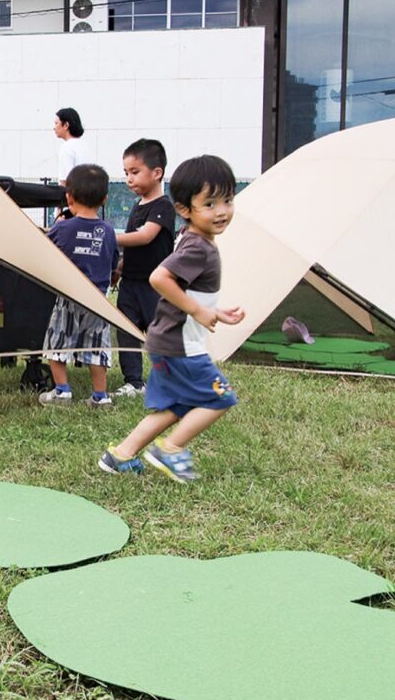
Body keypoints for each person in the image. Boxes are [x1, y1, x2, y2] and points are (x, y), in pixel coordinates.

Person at [98, 155, 245, 483]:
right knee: (220, 397)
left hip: (167, 341)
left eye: (227, 200)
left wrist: (212, 311)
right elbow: (159, 278)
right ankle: (171, 448)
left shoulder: (193, 238)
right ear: (185, 209)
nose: (221, 211)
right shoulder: (198, 248)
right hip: (181, 347)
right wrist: (199, 311)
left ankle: (120, 455)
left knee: (175, 407)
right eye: (209, 203)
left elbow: (183, 290)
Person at [39, 164, 119, 409]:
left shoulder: (63, 228)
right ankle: (100, 395)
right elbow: (114, 262)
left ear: (69, 197)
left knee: (58, 341)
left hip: (69, 297)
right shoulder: (108, 231)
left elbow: (44, 249)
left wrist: (55, 224)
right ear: (104, 199)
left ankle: (62, 391)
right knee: (97, 346)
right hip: (98, 299)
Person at [111, 139, 176, 398]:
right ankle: (134, 382)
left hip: (155, 285)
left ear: (156, 172)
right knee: (126, 331)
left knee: (158, 335)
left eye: (134, 172)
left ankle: (169, 380)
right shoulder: (137, 207)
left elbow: (145, 237)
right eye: (126, 172)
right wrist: (119, 268)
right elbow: (132, 247)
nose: (128, 178)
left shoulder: (163, 207)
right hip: (129, 283)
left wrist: (107, 235)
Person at [54, 108, 95, 186]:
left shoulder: (66, 147)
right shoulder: (84, 145)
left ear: (66, 125)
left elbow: (66, 181)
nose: (54, 127)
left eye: (56, 123)